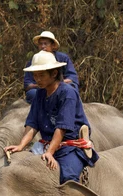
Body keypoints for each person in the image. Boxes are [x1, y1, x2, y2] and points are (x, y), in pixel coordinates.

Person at [6, 50, 97, 184]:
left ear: (54, 73)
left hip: (69, 146)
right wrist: (21, 145)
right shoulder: (40, 94)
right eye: (35, 75)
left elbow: (62, 127)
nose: (37, 79)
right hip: (47, 143)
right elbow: (32, 124)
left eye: (41, 75)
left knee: (68, 178)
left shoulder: (67, 93)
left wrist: (50, 152)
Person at [24, 31, 79, 104]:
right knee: (33, 93)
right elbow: (28, 85)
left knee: (69, 90)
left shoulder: (63, 58)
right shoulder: (34, 60)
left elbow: (72, 78)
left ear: (53, 45)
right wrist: (42, 84)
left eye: (45, 43)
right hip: (40, 89)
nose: (43, 46)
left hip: (61, 87)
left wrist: (55, 84)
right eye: (40, 44)